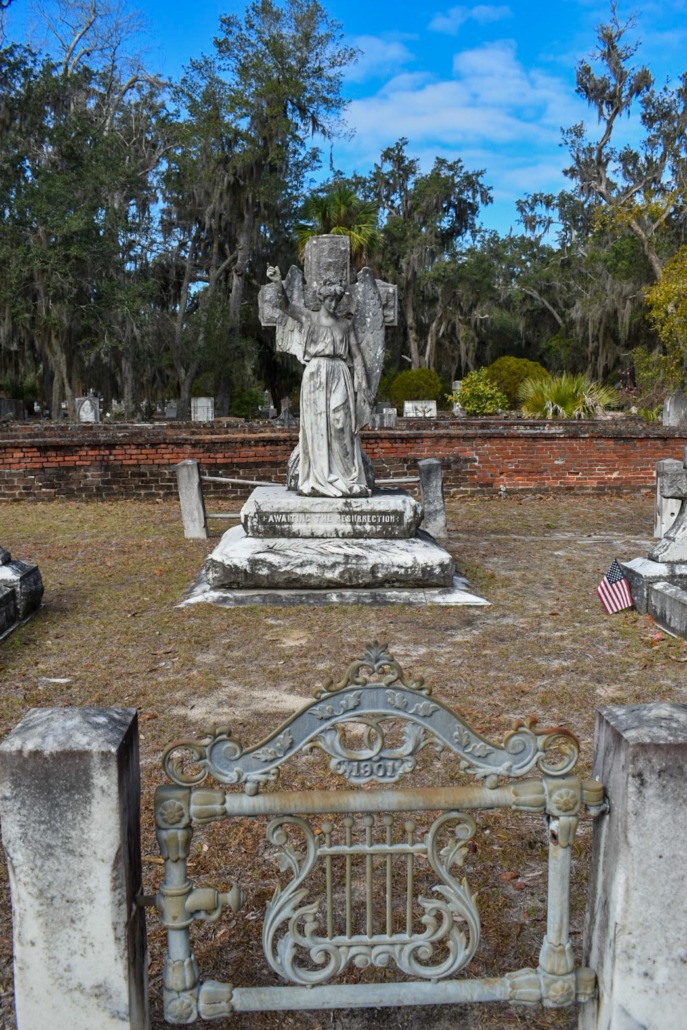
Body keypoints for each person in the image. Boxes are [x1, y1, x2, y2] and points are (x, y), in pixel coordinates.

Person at [267, 267, 370, 497]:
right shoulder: (309, 317)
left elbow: (356, 355)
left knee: (341, 423)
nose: (333, 304)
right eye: (330, 299)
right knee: (317, 426)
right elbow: (286, 306)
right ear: (322, 298)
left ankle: (346, 476)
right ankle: (319, 477)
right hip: (315, 374)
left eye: (337, 300)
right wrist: (277, 283)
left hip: (340, 372)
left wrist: (362, 383)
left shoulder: (345, 324)